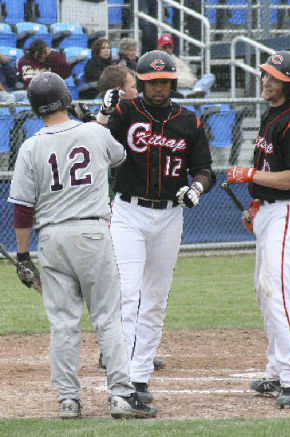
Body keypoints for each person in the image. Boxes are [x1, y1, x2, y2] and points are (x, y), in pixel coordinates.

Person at [7, 71, 157, 420]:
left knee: (62, 324)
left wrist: (24, 256)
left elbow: (22, 209)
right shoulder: (92, 131)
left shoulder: (31, 146)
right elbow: (119, 157)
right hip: (91, 233)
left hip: (52, 239)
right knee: (107, 318)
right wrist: (94, 118)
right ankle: (120, 395)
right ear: (66, 97)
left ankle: (68, 400)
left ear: (34, 107)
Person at [101, 50, 215, 402]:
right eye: (151, 82)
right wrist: (103, 114)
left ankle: (139, 377)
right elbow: (95, 143)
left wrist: (196, 188)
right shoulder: (125, 112)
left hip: (169, 216)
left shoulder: (188, 120)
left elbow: (205, 169)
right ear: (143, 82)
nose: (158, 88)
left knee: (155, 300)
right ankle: (121, 377)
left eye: (164, 81)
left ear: (172, 82)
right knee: (128, 294)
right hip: (129, 212)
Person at [226, 51, 290, 409]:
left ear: (289, 84)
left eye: (273, 77)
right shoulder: (272, 115)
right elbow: (268, 169)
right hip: (270, 211)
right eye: (265, 74)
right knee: (265, 292)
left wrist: (249, 176)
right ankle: (277, 372)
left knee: (275, 291)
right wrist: (256, 203)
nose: (265, 80)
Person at [96, 64, 164, 371]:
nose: (138, 91)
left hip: (119, 211)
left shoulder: (133, 120)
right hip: (110, 212)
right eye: (133, 87)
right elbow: (98, 135)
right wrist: (102, 112)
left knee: (133, 287)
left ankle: (131, 345)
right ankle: (111, 348)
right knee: (121, 287)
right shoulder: (106, 122)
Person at [157, 34, 215, 98]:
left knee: (210, 76)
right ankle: (194, 94)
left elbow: (191, 75)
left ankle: (196, 92)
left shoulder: (178, 60)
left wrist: (193, 83)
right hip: (175, 92)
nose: (167, 49)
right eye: (164, 47)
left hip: (191, 89)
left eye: (170, 47)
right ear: (158, 48)